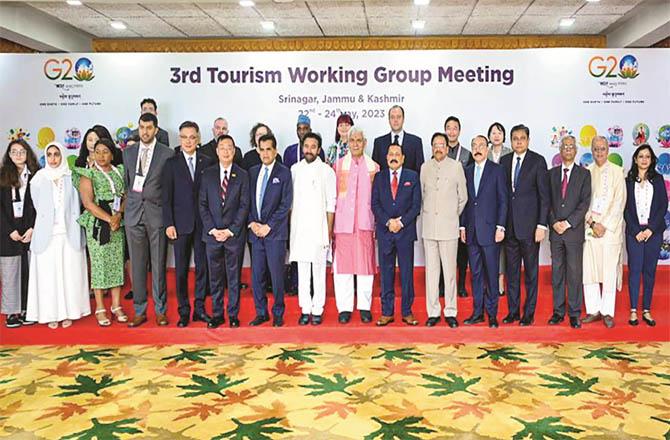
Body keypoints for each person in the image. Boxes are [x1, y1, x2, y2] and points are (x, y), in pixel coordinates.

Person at [26, 142, 90, 328]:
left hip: (69, 232)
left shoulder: (72, 177)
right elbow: (37, 207)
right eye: (50, 155)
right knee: (48, 277)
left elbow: (78, 203)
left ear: (62, 156)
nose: (53, 159)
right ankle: (50, 313)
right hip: (46, 235)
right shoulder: (38, 179)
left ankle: (69, 312)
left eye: (56, 154)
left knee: (70, 276)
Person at [162, 121, 215, 328]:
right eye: (184, 137)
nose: (188, 141)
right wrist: (169, 223)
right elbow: (165, 197)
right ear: (180, 139)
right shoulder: (171, 163)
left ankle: (200, 309)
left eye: (192, 137)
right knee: (181, 269)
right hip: (180, 225)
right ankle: (184, 311)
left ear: (198, 138)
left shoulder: (208, 162)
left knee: (203, 268)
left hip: (203, 225)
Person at [123, 112, 174, 327]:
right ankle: (139, 310)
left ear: (156, 129)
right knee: (137, 265)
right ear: (138, 128)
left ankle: (160, 310)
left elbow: (169, 187)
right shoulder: (128, 152)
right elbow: (127, 184)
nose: (145, 132)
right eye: (142, 127)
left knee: (158, 264)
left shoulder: (167, 153)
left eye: (149, 128)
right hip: (133, 215)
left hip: (157, 214)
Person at [73, 138, 128, 326]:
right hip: (98, 223)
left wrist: (119, 215)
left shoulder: (120, 171)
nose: (102, 155)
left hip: (117, 222)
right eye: (98, 151)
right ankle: (100, 307)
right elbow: (88, 203)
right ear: (93, 154)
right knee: (99, 265)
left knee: (116, 263)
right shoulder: (88, 174)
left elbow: (126, 195)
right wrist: (109, 218)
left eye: (106, 151)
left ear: (112, 154)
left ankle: (116, 305)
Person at [500, 124, 550, 326]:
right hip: (509, 227)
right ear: (510, 141)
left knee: (530, 273)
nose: (518, 142)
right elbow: (502, 196)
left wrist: (541, 225)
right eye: (515, 138)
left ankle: (528, 313)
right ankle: (513, 311)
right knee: (512, 274)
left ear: (528, 140)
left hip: (530, 229)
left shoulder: (538, 161)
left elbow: (544, 197)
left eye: (522, 138)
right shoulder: (504, 161)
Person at [199, 134, 250, 329]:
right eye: (222, 147)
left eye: (230, 147)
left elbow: (244, 206)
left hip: (233, 237)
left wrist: (230, 230)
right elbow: (202, 204)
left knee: (233, 277)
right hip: (212, 236)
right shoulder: (208, 174)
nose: (226, 151)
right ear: (217, 151)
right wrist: (213, 229)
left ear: (234, 151)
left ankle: (233, 314)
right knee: (215, 277)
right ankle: (217, 314)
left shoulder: (242, 175)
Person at [459, 135, 508, 329]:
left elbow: (503, 201)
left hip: (491, 232)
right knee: (476, 274)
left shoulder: (497, 170)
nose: (477, 149)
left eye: (481, 145)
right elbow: (464, 201)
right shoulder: (467, 171)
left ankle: (492, 314)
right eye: (474, 145)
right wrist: (462, 226)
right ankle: (477, 313)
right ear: (471, 149)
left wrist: (501, 227)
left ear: (487, 149)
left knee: (491, 274)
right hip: (471, 232)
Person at [333, 126, 379, 324]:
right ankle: (344, 308)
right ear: (348, 143)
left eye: (359, 140)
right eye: (352, 141)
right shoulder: (338, 166)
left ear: (365, 143)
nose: (356, 144)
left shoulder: (374, 167)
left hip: (365, 223)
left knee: (365, 267)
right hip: (343, 224)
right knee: (342, 268)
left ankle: (364, 307)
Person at [371, 143, 421, 326]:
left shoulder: (412, 177)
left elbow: (416, 206)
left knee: (407, 273)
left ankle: (407, 312)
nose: (393, 156)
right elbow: (374, 204)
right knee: (386, 273)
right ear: (386, 157)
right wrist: (388, 222)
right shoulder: (379, 177)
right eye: (390, 153)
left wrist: (400, 222)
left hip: (405, 232)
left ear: (403, 158)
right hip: (385, 232)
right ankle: (387, 312)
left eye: (397, 154)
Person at [421, 132, 468, 328]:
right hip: (429, 227)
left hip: (449, 228)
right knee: (431, 273)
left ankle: (450, 311)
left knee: (449, 272)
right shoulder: (425, 167)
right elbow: (422, 196)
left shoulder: (456, 167)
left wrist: (450, 214)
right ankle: (433, 311)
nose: (438, 148)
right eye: (435, 145)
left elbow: (463, 197)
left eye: (442, 144)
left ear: (447, 148)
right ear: (432, 148)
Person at [289, 132, 336, 326]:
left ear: (319, 149)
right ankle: (305, 309)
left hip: (319, 229)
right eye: (306, 146)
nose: (309, 150)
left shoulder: (327, 171)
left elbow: (330, 204)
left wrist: (329, 232)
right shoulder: (293, 170)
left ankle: (317, 309)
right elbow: (290, 204)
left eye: (313, 146)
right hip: (299, 229)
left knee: (318, 271)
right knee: (302, 271)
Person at [247, 134, 293, 327]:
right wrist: (252, 223)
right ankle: (261, 312)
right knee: (257, 276)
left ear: (275, 151)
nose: (265, 153)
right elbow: (246, 200)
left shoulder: (284, 173)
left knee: (276, 276)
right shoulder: (252, 172)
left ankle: (278, 313)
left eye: (269, 149)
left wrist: (269, 226)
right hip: (256, 233)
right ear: (258, 150)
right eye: (262, 149)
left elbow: (285, 203)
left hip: (275, 234)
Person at [547, 135, 591, 329]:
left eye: (571, 146)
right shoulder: (550, 174)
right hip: (555, 232)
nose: (568, 149)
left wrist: (568, 223)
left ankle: (574, 313)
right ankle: (558, 312)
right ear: (560, 149)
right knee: (557, 273)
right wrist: (554, 222)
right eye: (565, 146)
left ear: (576, 150)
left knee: (574, 273)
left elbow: (584, 203)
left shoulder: (584, 174)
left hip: (573, 232)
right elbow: (545, 201)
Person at [582, 136, 626, 328]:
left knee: (608, 271)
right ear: (591, 151)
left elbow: (619, 202)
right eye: (596, 149)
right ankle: (593, 310)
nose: (599, 152)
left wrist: (604, 225)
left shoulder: (617, 172)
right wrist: (592, 223)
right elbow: (581, 202)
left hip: (610, 231)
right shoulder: (586, 172)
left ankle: (608, 312)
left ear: (608, 150)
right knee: (589, 271)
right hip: (590, 230)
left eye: (602, 149)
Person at [624, 144, 668, 327]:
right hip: (634, 233)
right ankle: (634, 310)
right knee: (634, 271)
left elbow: (662, 206)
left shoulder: (658, 180)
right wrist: (636, 231)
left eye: (647, 157)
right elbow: (625, 209)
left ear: (651, 160)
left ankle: (646, 310)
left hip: (653, 233)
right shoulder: (628, 181)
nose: (644, 159)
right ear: (635, 159)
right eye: (640, 156)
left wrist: (650, 229)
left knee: (649, 272)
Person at [0, 139, 38, 328]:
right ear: (8, 155)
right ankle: (12, 312)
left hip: (30, 227)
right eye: (13, 152)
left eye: (21, 151)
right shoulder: (2, 176)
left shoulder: (37, 175)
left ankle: (27, 308)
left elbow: (41, 205)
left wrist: (33, 227)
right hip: (8, 229)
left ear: (27, 153)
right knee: (10, 271)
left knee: (29, 270)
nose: (18, 155)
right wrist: (9, 230)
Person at [444, 116, 474, 298]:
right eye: (449, 128)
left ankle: (461, 285)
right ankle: (442, 285)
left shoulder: (467, 155)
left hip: (462, 207)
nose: (452, 131)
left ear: (459, 131)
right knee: (443, 251)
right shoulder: (439, 152)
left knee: (462, 252)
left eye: (455, 128)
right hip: (443, 208)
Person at [487, 122, 512, 297]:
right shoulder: (483, 152)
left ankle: (501, 279)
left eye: (499, 132)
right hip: (488, 207)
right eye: (493, 132)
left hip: (505, 203)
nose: (496, 135)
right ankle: (490, 278)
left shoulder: (510, 153)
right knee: (488, 243)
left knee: (502, 245)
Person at [372, 105, 425, 173]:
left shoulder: (416, 142)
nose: (395, 120)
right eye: (392, 117)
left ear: (403, 119)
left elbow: (419, 171)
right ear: (389, 120)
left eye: (398, 117)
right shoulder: (379, 143)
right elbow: (376, 171)